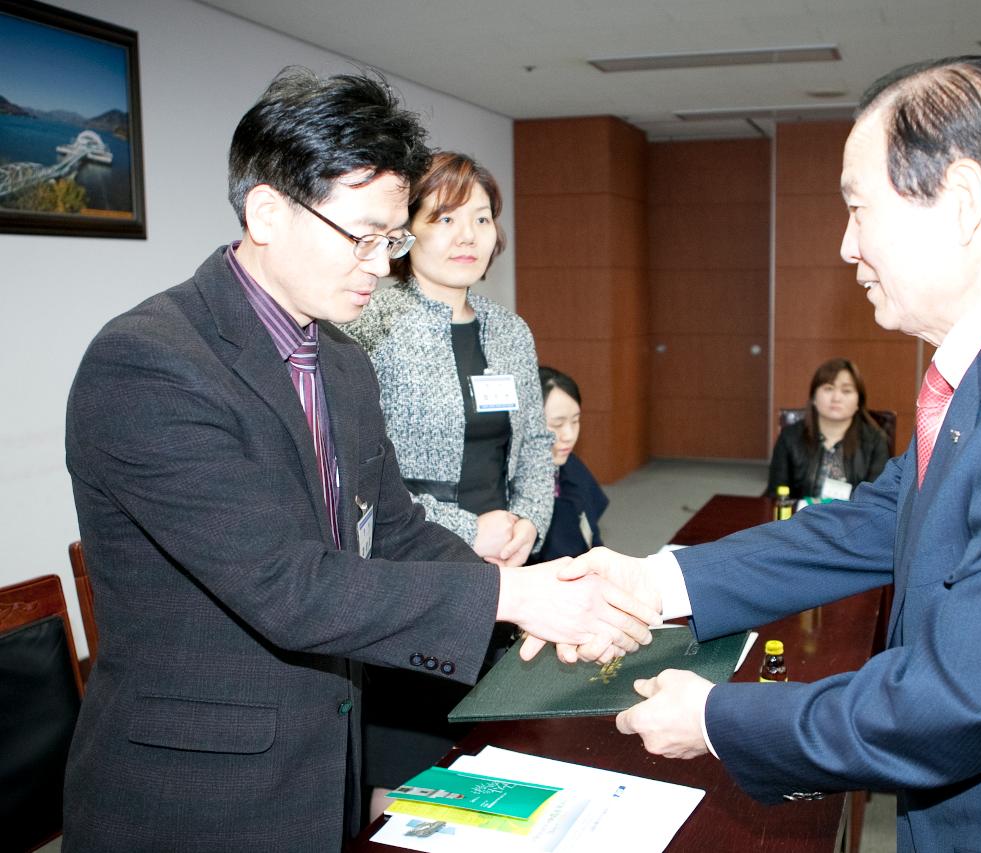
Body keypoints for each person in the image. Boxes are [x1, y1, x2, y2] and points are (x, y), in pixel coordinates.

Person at [556, 56, 981, 850]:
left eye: (859, 208)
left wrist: (717, 717)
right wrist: (656, 581)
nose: (847, 245)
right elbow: (877, 519)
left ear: (959, 200)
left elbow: (955, 702)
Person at [62, 68, 656, 852]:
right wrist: (511, 596)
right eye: (364, 237)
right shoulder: (150, 361)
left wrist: (536, 589)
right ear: (267, 211)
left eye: (394, 239)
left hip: (325, 751)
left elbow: (400, 531)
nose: (382, 264)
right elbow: (286, 583)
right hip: (197, 790)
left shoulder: (340, 359)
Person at [345, 151, 552, 569]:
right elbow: (352, 471)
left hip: (506, 550)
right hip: (412, 555)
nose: (468, 237)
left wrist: (529, 520)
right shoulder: (366, 328)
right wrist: (469, 530)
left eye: (481, 218)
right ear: (405, 232)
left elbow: (536, 444)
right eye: (445, 219)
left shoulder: (511, 330)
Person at [766, 357, 889, 500]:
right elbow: (776, 494)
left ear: (858, 402)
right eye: (828, 388)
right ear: (813, 397)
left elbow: (876, 499)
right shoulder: (790, 437)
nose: (836, 398)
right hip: (800, 518)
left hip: (852, 519)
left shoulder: (875, 441)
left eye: (846, 391)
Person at [533, 366, 609, 561]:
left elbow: (593, 537)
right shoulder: (506, 487)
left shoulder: (571, 466)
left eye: (575, 421)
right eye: (557, 425)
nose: (569, 435)